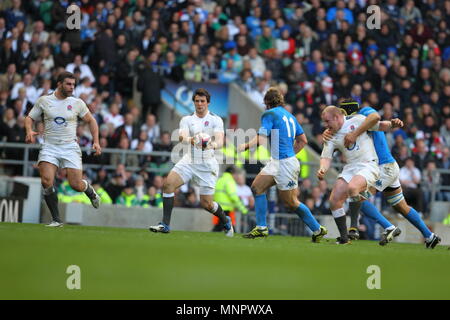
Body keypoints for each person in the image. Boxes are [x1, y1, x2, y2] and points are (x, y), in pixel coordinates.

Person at [329, 99, 441, 249]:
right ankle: (430, 236)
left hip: (382, 167)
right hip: (388, 166)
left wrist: (355, 133)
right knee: (401, 206)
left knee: (357, 197)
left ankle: (388, 227)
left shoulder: (364, 113)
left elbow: (375, 116)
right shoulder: (349, 125)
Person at [238, 87, 327, 241]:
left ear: (267, 102)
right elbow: (303, 140)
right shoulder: (291, 117)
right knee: (257, 188)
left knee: (291, 202)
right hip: (278, 162)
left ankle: (317, 229)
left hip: (285, 164)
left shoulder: (269, 114)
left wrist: (244, 146)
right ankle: (261, 228)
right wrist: (290, 154)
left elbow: (261, 138)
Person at [149, 88, 234, 237]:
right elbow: (182, 136)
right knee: (168, 185)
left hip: (207, 164)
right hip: (189, 160)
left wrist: (211, 144)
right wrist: (191, 140)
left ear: (208, 103)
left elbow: (220, 140)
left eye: (202, 101)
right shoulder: (187, 119)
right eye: (197, 101)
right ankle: (165, 225)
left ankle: (225, 220)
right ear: (194, 102)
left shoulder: (216, 119)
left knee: (207, 204)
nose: (199, 104)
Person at [24, 71, 101, 227]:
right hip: (49, 146)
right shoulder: (44, 101)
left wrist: (96, 141)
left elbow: (91, 121)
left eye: (73, 84)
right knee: (46, 181)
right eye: (68, 84)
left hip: (70, 147)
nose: (72, 87)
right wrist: (29, 131)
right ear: (59, 84)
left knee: (75, 184)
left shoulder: (77, 103)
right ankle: (56, 219)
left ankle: (89, 190)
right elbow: (29, 117)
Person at [318, 105, 402, 244]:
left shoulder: (357, 120)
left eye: (327, 121)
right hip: (350, 168)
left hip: (368, 165)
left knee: (353, 188)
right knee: (334, 200)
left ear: (337, 117)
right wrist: (322, 169)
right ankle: (344, 238)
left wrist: (393, 124)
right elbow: (326, 157)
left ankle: (354, 227)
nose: (325, 125)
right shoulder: (330, 135)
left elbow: (380, 125)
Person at [213, 165, 249, 232]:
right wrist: (243, 209)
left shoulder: (220, 180)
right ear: (232, 173)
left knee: (220, 226)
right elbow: (233, 197)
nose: (237, 176)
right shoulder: (229, 181)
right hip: (226, 209)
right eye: (236, 174)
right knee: (225, 226)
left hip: (219, 208)